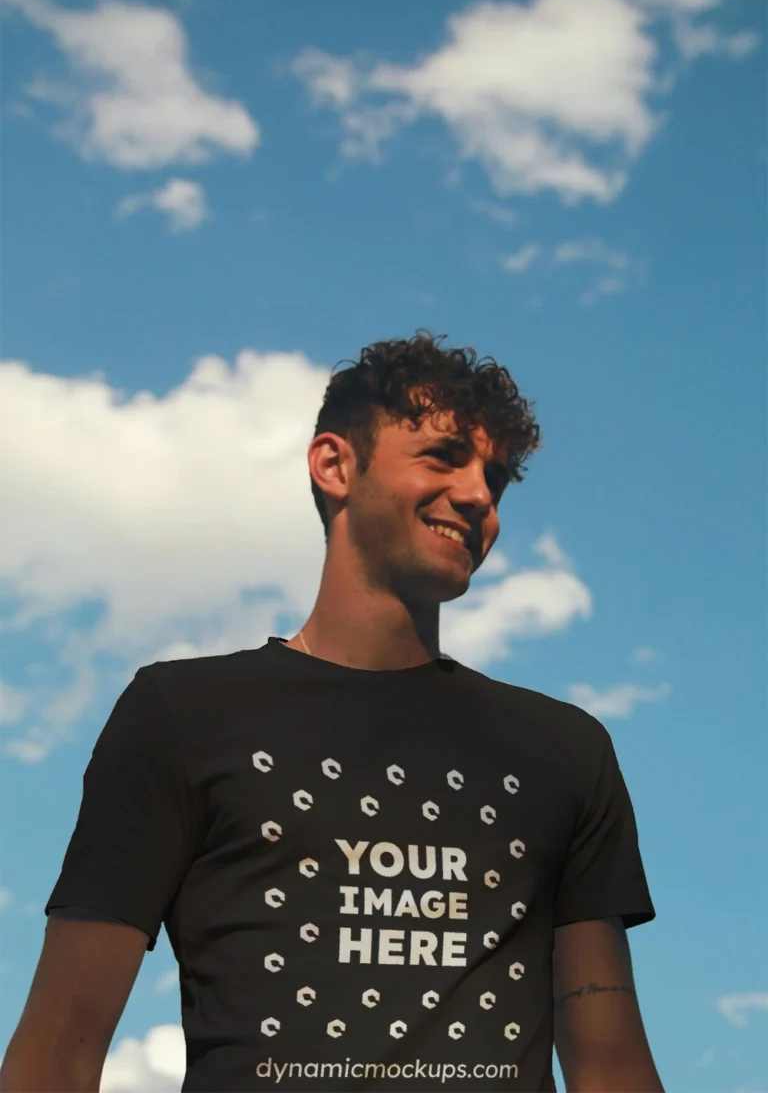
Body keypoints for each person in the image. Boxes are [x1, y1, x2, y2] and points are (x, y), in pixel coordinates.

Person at [0, 331, 665, 1092]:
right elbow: (56, 1051)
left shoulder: (564, 751)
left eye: (497, 477)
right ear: (334, 465)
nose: (481, 495)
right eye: (444, 456)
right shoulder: (181, 714)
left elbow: (611, 1067)